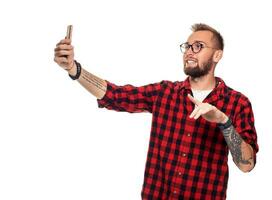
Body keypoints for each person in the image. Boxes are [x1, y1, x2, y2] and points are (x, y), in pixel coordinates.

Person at [54, 23, 259, 200]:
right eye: (187, 46)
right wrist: (74, 69)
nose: (189, 51)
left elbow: (246, 165)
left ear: (217, 54)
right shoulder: (165, 93)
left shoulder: (237, 103)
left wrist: (223, 121)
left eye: (198, 46)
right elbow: (114, 95)